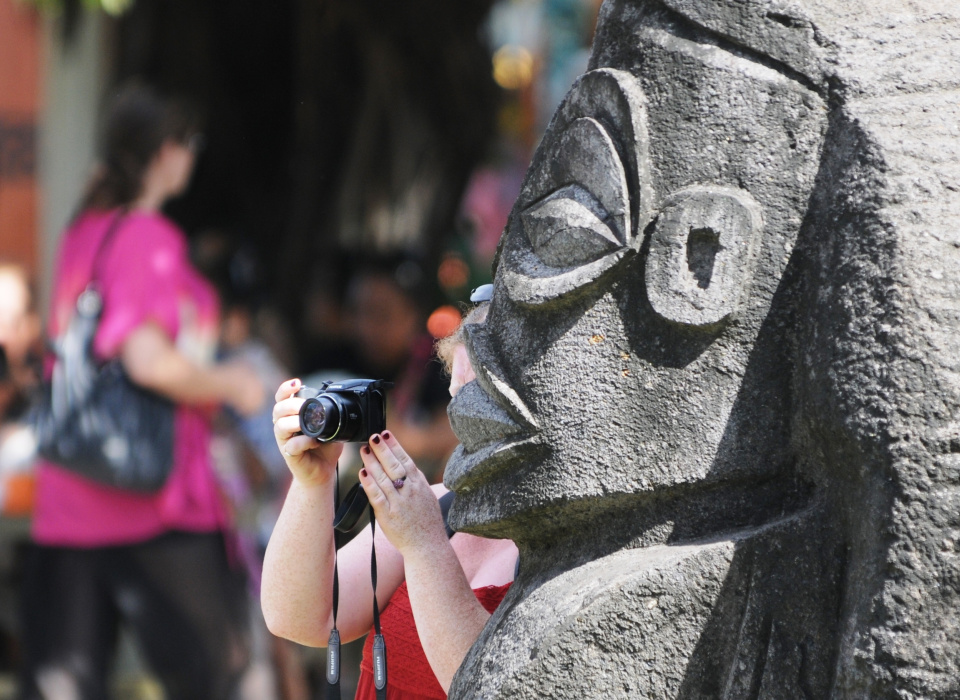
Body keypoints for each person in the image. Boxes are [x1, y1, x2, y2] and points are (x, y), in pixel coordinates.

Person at [19, 84, 265, 700]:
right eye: (189, 143)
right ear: (164, 152)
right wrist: (233, 383)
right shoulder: (148, 238)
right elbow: (148, 360)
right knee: (232, 677)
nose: (192, 157)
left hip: (72, 498)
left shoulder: (86, 230)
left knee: (63, 685)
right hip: (155, 500)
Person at [262, 300, 518, 698]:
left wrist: (423, 545)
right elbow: (298, 616)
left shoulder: (572, 540)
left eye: (477, 395)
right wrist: (313, 482)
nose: (460, 417)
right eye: (456, 392)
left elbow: (491, 688)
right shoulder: (442, 508)